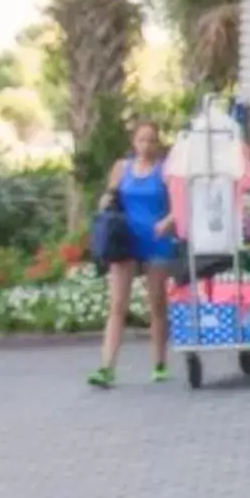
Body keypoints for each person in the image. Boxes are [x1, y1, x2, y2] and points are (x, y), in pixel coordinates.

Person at [88, 117, 182, 388]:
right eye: (142, 140)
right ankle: (107, 367)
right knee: (118, 305)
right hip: (125, 241)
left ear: (158, 143)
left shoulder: (165, 172)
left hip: (155, 240)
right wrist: (105, 202)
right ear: (134, 142)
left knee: (157, 303)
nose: (146, 145)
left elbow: (179, 206)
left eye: (152, 140)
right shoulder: (122, 168)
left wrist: (168, 221)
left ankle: (159, 363)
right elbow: (109, 197)